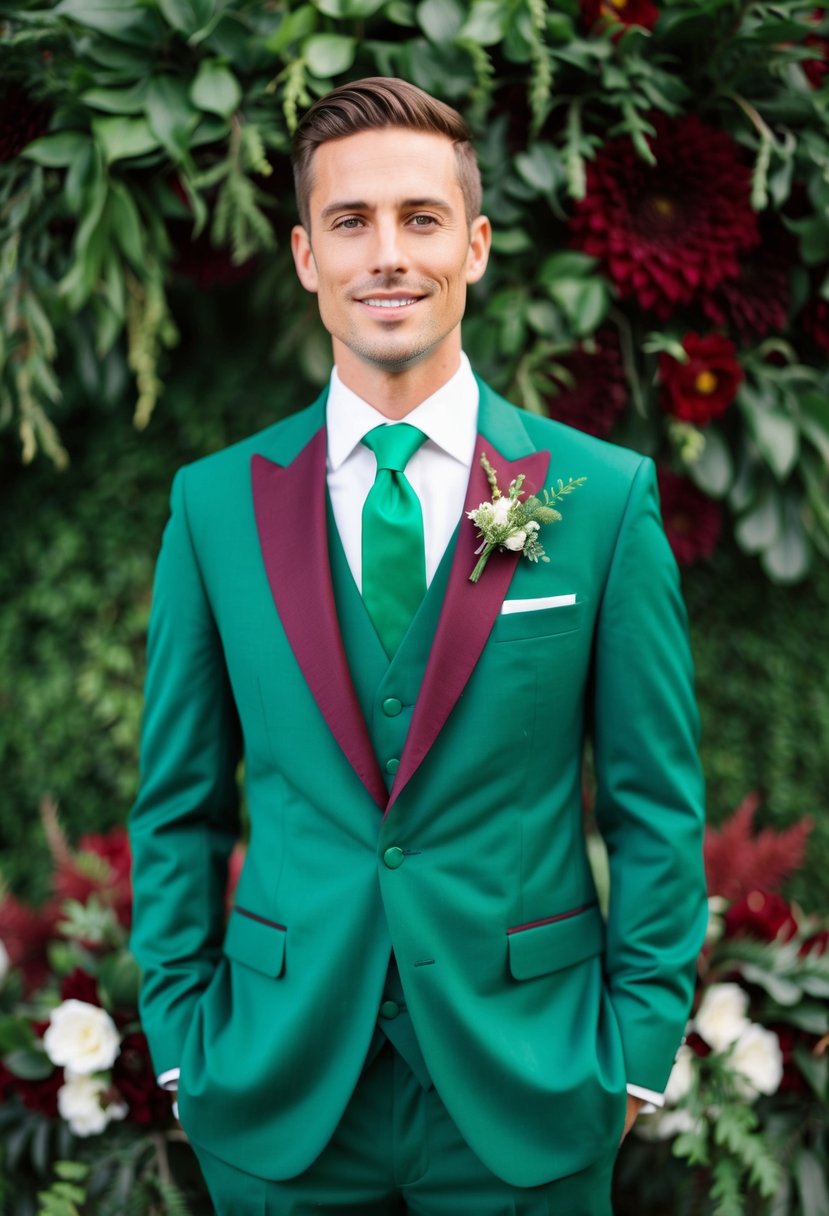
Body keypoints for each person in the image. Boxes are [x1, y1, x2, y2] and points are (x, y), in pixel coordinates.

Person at [129, 77, 707, 1215]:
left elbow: (655, 803)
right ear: (304, 256)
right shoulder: (212, 510)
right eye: (350, 222)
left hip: (528, 1089)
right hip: (279, 1092)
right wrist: (186, 1051)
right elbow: (177, 804)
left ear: (475, 245)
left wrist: (632, 1052)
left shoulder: (599, 499)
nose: (386, 253)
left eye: (420, 217)